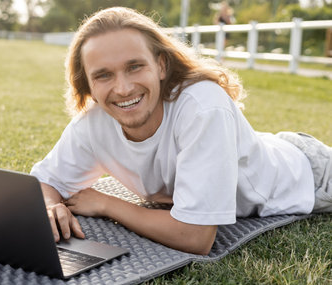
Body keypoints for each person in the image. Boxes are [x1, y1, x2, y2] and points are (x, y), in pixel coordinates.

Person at [30, 7, 332, 255]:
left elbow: (195, 237)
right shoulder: (93, 123)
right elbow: (43, 182)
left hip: (311, 175)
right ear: (90, 87)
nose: (122, 88)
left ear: (161, 66)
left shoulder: (203, 106)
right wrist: (50, 206)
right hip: (266, 149)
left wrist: (108, 204)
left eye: (135, 66)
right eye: (104, 75)